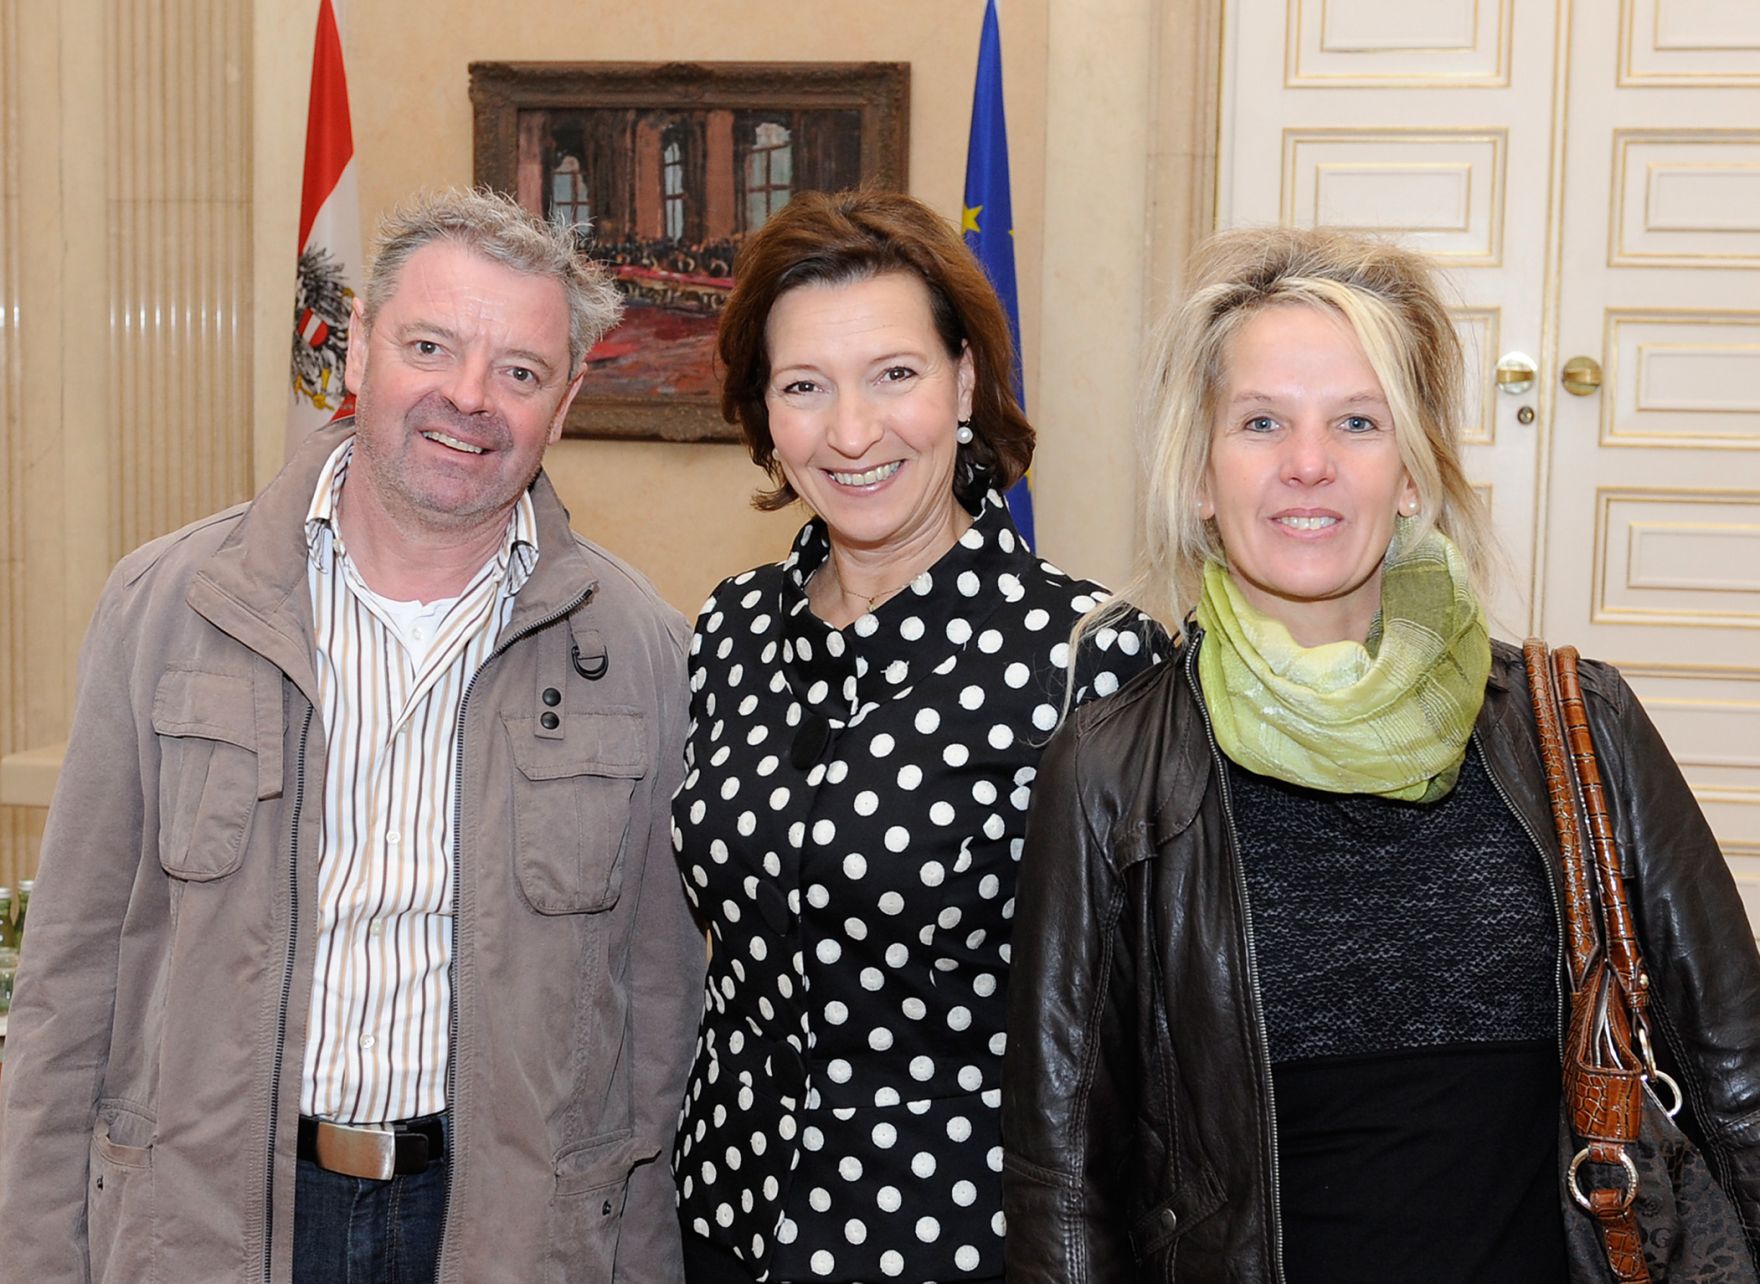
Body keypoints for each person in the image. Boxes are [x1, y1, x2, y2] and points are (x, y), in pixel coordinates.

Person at [1001, 226, 1760, 1281]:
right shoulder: (1110, 770)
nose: (1306, 464)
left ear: (1409, 473)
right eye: (1260, 421)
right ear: (1198, 477)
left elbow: (1733, 1078)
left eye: (1356, 422)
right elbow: (1063, 1177)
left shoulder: (1575, 724)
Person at [0, 188, 704, 1283]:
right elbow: (71, 982)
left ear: (562, 405)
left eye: (519, 371)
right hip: (210, 1231)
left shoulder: (643, 652)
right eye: (430, 345)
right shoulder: (167, 606)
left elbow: (661, 1019)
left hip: (508, 1236)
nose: (467, 399)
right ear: (362, 348)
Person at [668, 189, 1167, 1282]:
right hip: (722, 1218)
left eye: (894, 374)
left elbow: (1150, 1031)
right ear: (764, 410)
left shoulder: (1091, 658)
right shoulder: (730, 628)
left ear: (964, 384)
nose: (851, 433)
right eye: (805, 387)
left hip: (958, 1240)